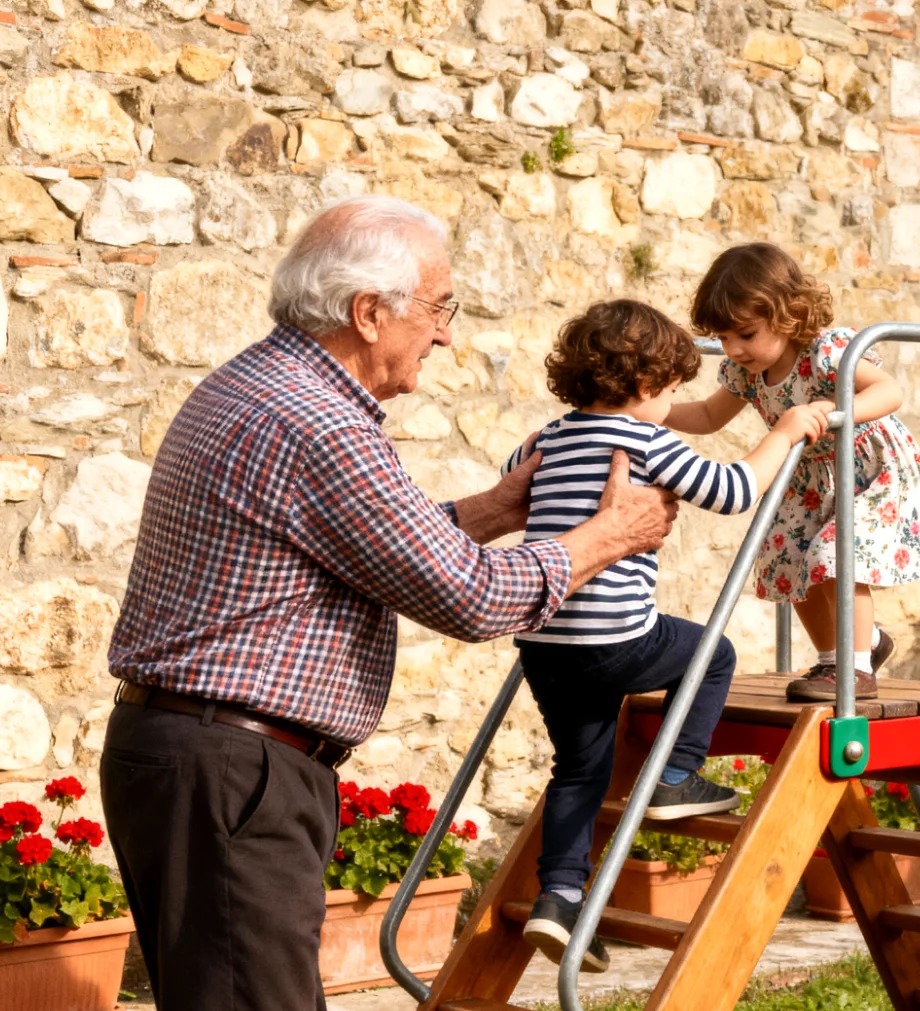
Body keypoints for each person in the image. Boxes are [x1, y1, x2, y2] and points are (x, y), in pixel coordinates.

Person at [99, 196, 679, 1011]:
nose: (446, 333)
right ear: (369, 313)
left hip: (200, 757)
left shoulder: (265, 384)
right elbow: (473, 596)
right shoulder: (321, 423)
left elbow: (364, 547)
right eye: (440, 308)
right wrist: (608, 537)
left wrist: (495, 509)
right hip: (232, 770)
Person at [509, 299, 829, 970]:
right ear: (646, 386)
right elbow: (736, 487)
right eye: (674, 390)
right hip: (615, 640)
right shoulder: (645, 441)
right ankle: (677, 775)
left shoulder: (542, 439)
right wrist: (789, 428)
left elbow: (515, 492)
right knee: (712, 652)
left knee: (579, 769)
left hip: (545, 646)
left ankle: (560, 898)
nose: (674, 405)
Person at [668, 242, 920, 701]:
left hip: (867, 467)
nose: (732, 349)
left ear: (787, 314)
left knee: (836, 550)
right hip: (810, 480)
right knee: (784, 555)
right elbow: (709, 417)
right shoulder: (746, 374)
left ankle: (857, 669)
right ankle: (839, 655)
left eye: (744, 334)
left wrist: (838, 410)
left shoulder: (828, 352)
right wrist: (653, 411)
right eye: (724, 338)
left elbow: (890, 392)